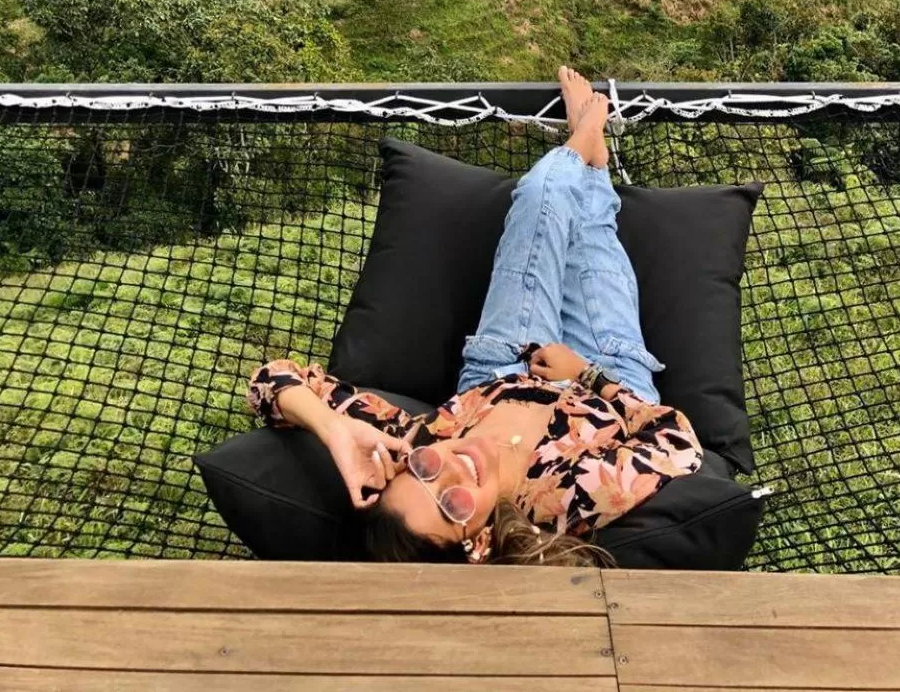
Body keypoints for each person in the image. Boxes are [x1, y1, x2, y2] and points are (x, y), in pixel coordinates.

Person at [247, 66, 704, 565]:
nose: (451, 468)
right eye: (453, 504)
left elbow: (273, 379)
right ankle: (591, 152)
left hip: (503, 363)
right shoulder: (560, 500)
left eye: (423, 470)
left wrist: (335, 431)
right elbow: (677, 442)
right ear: (478, 544)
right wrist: (589, 375)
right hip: (604, 373)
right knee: (591, 231)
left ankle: (584, 143)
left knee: (537, 200)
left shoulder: (413, 442)